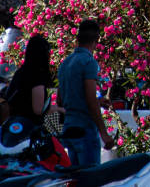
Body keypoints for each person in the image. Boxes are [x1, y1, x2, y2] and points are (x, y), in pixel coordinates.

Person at [58, 19, 114, 165]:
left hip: (69, 128)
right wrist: (104, 133)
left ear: (78, 38)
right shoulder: (89, 62)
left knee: (74, 180)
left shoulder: (65, 63)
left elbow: (60, 100)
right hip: (84, 129)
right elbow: (90, 99)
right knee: (90, 179)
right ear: (96, 40)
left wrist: (96, 101)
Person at [5, 34, 64, 125]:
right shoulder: (37, 75)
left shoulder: (20, 72)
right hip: (26, 127)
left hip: (12, 124)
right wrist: (58, 109)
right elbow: (38, 109)